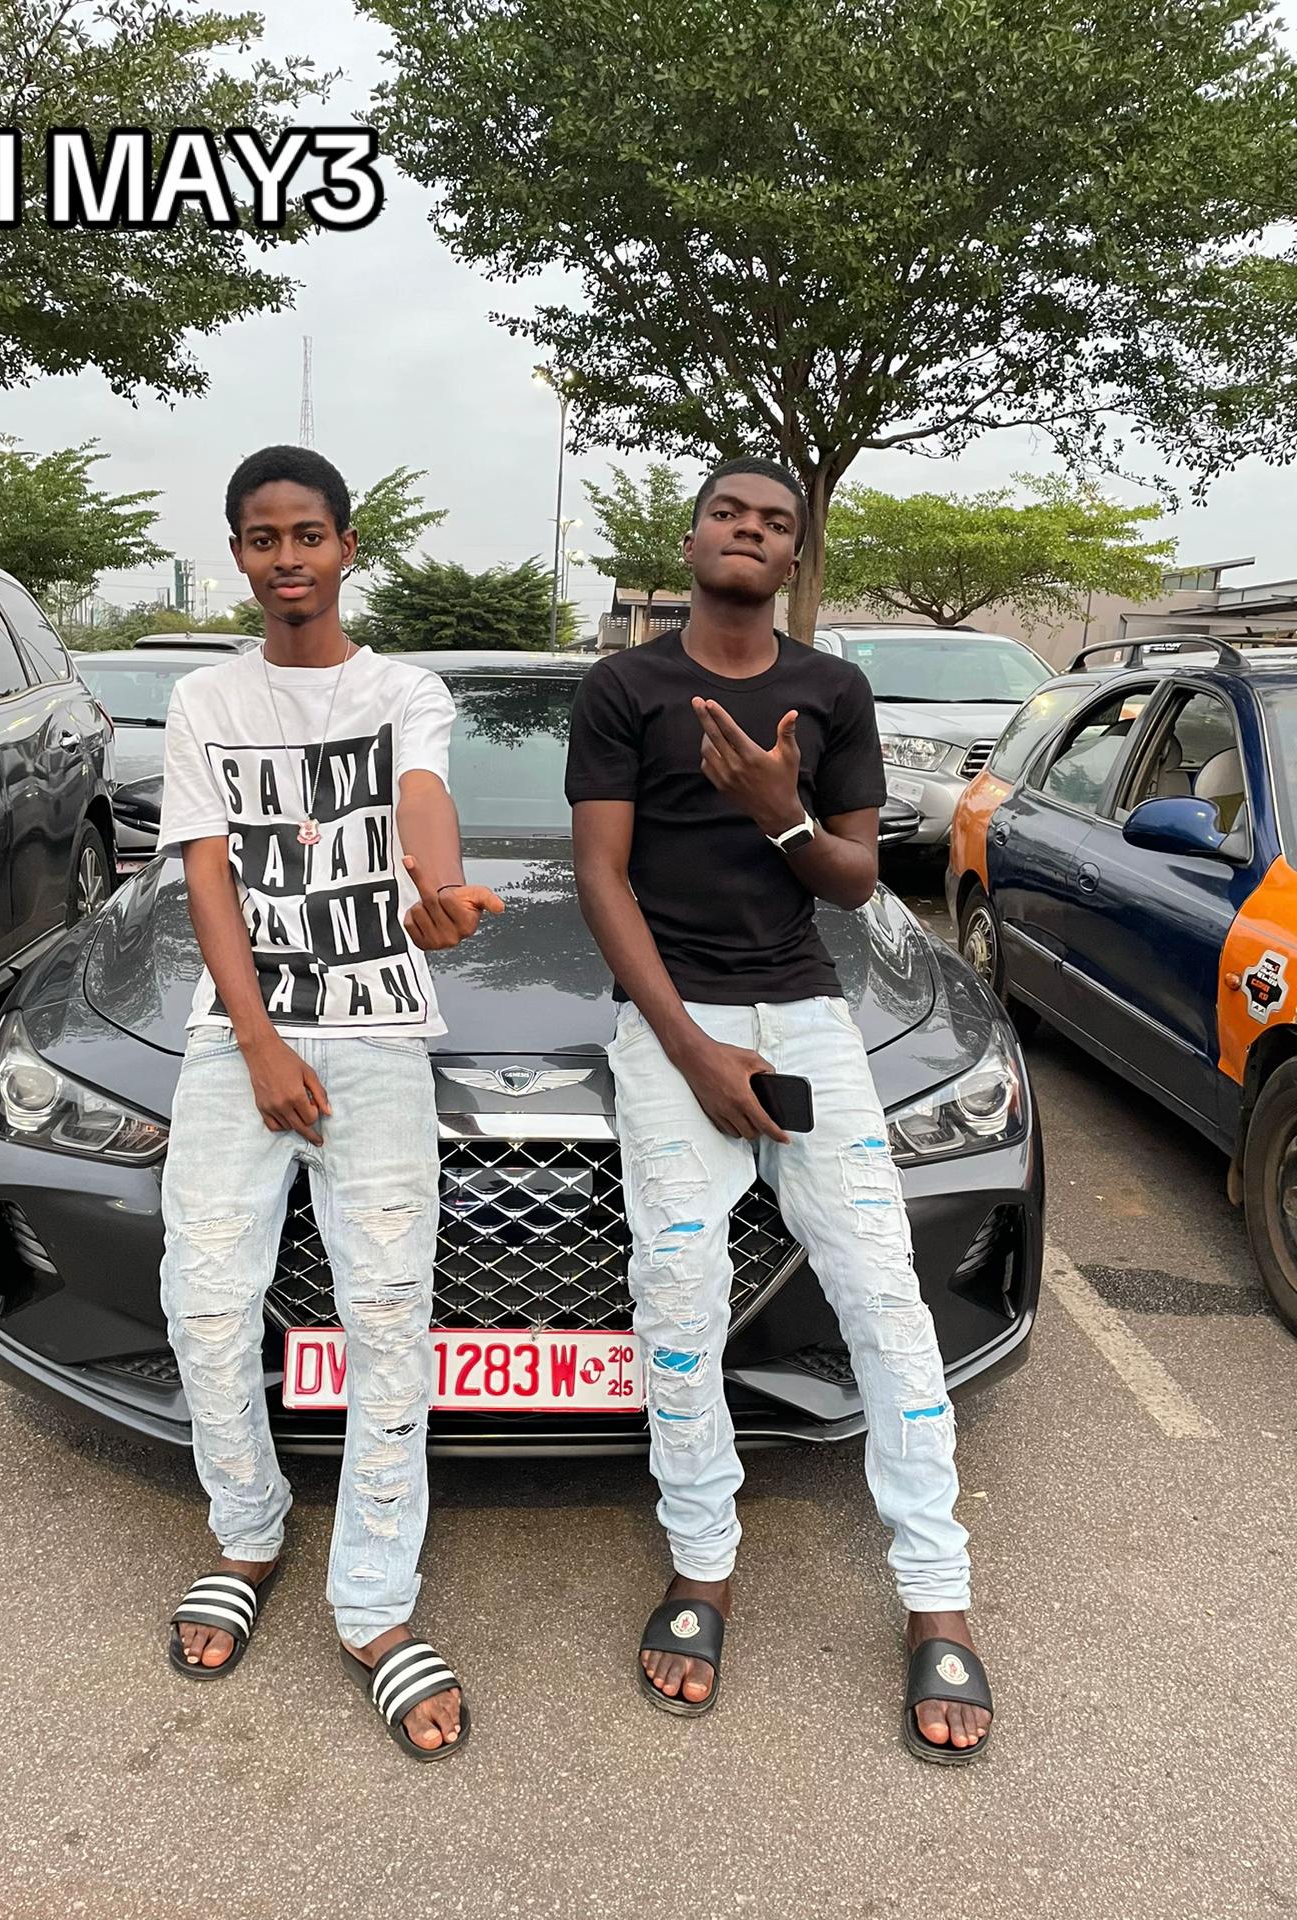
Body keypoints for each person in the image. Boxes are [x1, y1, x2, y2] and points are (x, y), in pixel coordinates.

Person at [564, 457, 993, 1761]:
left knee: (883, 1297)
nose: (748, 532)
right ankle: (702, 1565)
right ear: (692, 536)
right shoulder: (624, 688)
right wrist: (691, 1049)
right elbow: (602, 877)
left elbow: (857, 881)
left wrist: (781, 815)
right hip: (672, 1024)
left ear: (795, 555)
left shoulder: (832, 692)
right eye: (727, 514)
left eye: (774, 523)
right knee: (678, 1298)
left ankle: (938, 1596)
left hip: (806, 1014)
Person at [156, 444, 501, 1762]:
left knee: (387, 1318)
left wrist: (439, 890)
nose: (288, 557)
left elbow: (421, 797)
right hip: (237, 1038)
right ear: (240, 555)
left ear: (348, 547)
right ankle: (246, 1533)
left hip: (377, 1038)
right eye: (264, 538)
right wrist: (257, 1042)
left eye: (309, 534)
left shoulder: (400, 689)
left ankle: (374, 1601)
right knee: (205, 1304)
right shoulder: (204, 699)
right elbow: (208, 873)